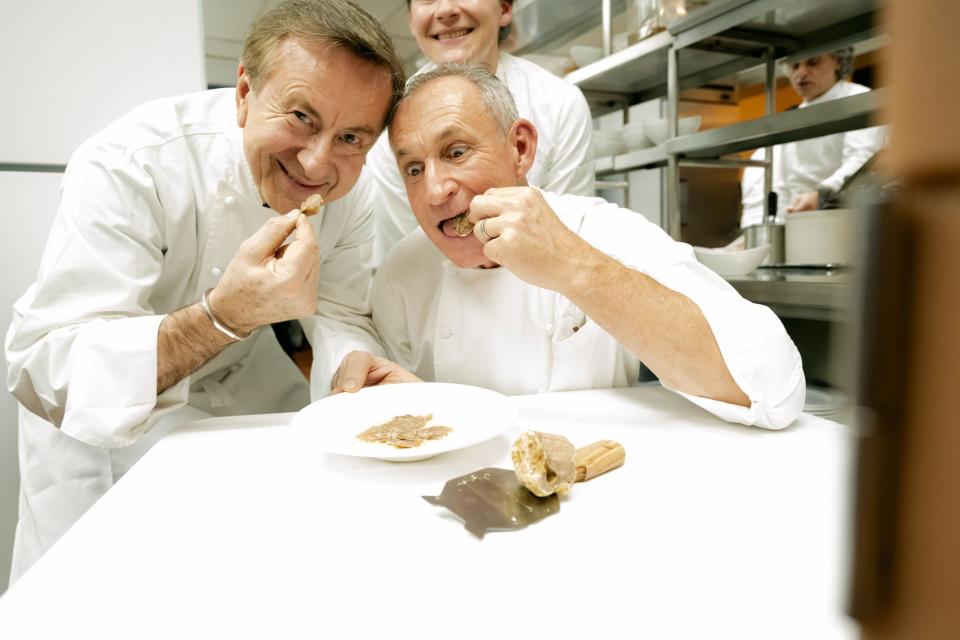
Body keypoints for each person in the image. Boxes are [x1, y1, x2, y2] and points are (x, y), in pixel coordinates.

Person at [4, 0, 406, 583]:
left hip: (240, 414)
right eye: (301, 116)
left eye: (351, 137)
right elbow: (51, 364)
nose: (319, 164)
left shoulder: (354, 194)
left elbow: (340, 311)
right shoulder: (133, 164)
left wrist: (351, 369)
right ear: (245, 92)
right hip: (102, 436)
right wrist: (222, 317)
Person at [354, 63, 805, 430]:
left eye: (455, 152)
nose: (434, 191)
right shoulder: (401, 272)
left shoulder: (602, 230)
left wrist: (573, 266)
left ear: (521, 148)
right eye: (413, 169)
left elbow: (774, 387)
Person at [366, 0, 595, 264]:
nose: (445, 10)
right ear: (411, 21)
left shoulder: (559, 103)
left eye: (458, 152)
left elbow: (567, 236)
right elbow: (409, 257)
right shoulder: (390, 129)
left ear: (505, 8)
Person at [741, 48, 886, 226]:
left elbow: (862, 160)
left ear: (838, 61)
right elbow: (784, 181)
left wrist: (822, 194)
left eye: (813, 62)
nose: (801, 72)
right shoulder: (793, 117)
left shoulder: (859, 99)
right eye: (794, 66)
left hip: (848, 218)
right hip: (801, 219)